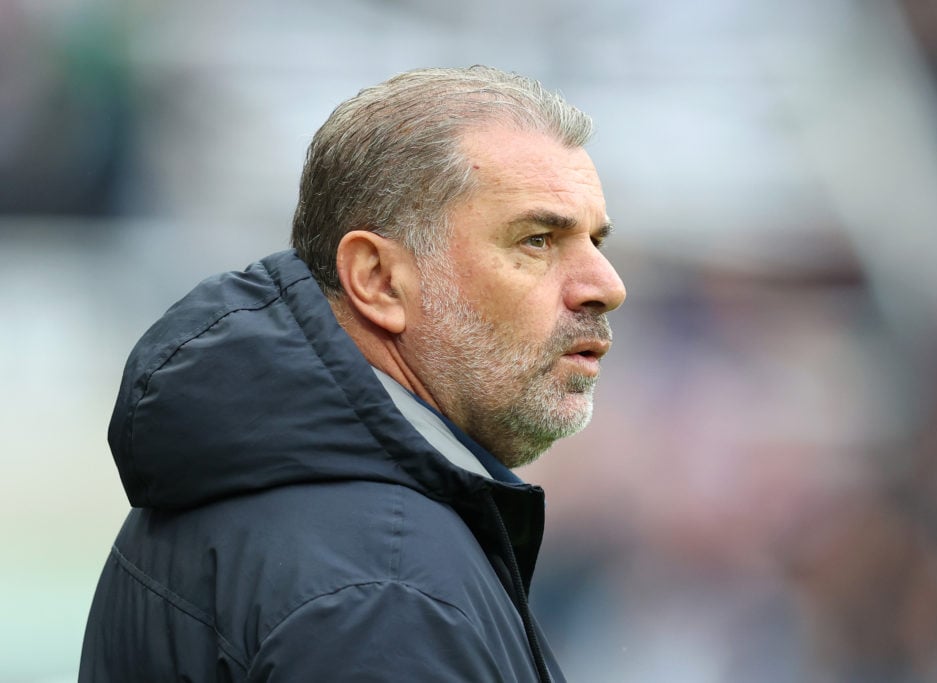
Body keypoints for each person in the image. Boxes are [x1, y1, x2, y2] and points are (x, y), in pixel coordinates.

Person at [79, 65, 626, 682]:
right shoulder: (384, 591)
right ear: (377, 280)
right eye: (537, 240)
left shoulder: (256, 484)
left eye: (596, 243)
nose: (606, 286)